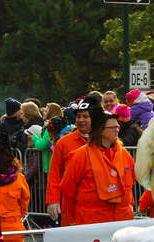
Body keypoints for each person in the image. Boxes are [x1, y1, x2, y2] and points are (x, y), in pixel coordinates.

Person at [59, 106, 141, 225]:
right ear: (100, 130)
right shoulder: (80, 156)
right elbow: (68, 189)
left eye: (117, 126)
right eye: (112, 127)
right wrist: (69, 221)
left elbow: (131, 182)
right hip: (91, 223)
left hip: (122, 221)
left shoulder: (124, 154)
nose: (117, 130)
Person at [45, 93, 100, 223]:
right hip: (72, 206)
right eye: (78, 116)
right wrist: (52, 200)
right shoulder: (63, 143)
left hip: (101, 205)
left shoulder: (105, 140)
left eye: (85, 116)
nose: (81, 120)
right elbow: (54, 173)